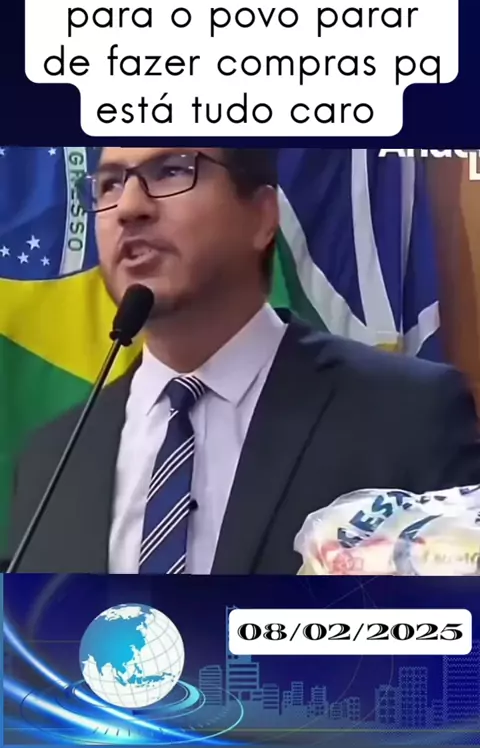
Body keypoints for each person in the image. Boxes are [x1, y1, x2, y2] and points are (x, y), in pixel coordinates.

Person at [8, 147, 480, 574]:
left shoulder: (407, 414)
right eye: (110, 184)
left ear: (262, 216)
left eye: (172, 171)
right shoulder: (49, 461)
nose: (129, 207)